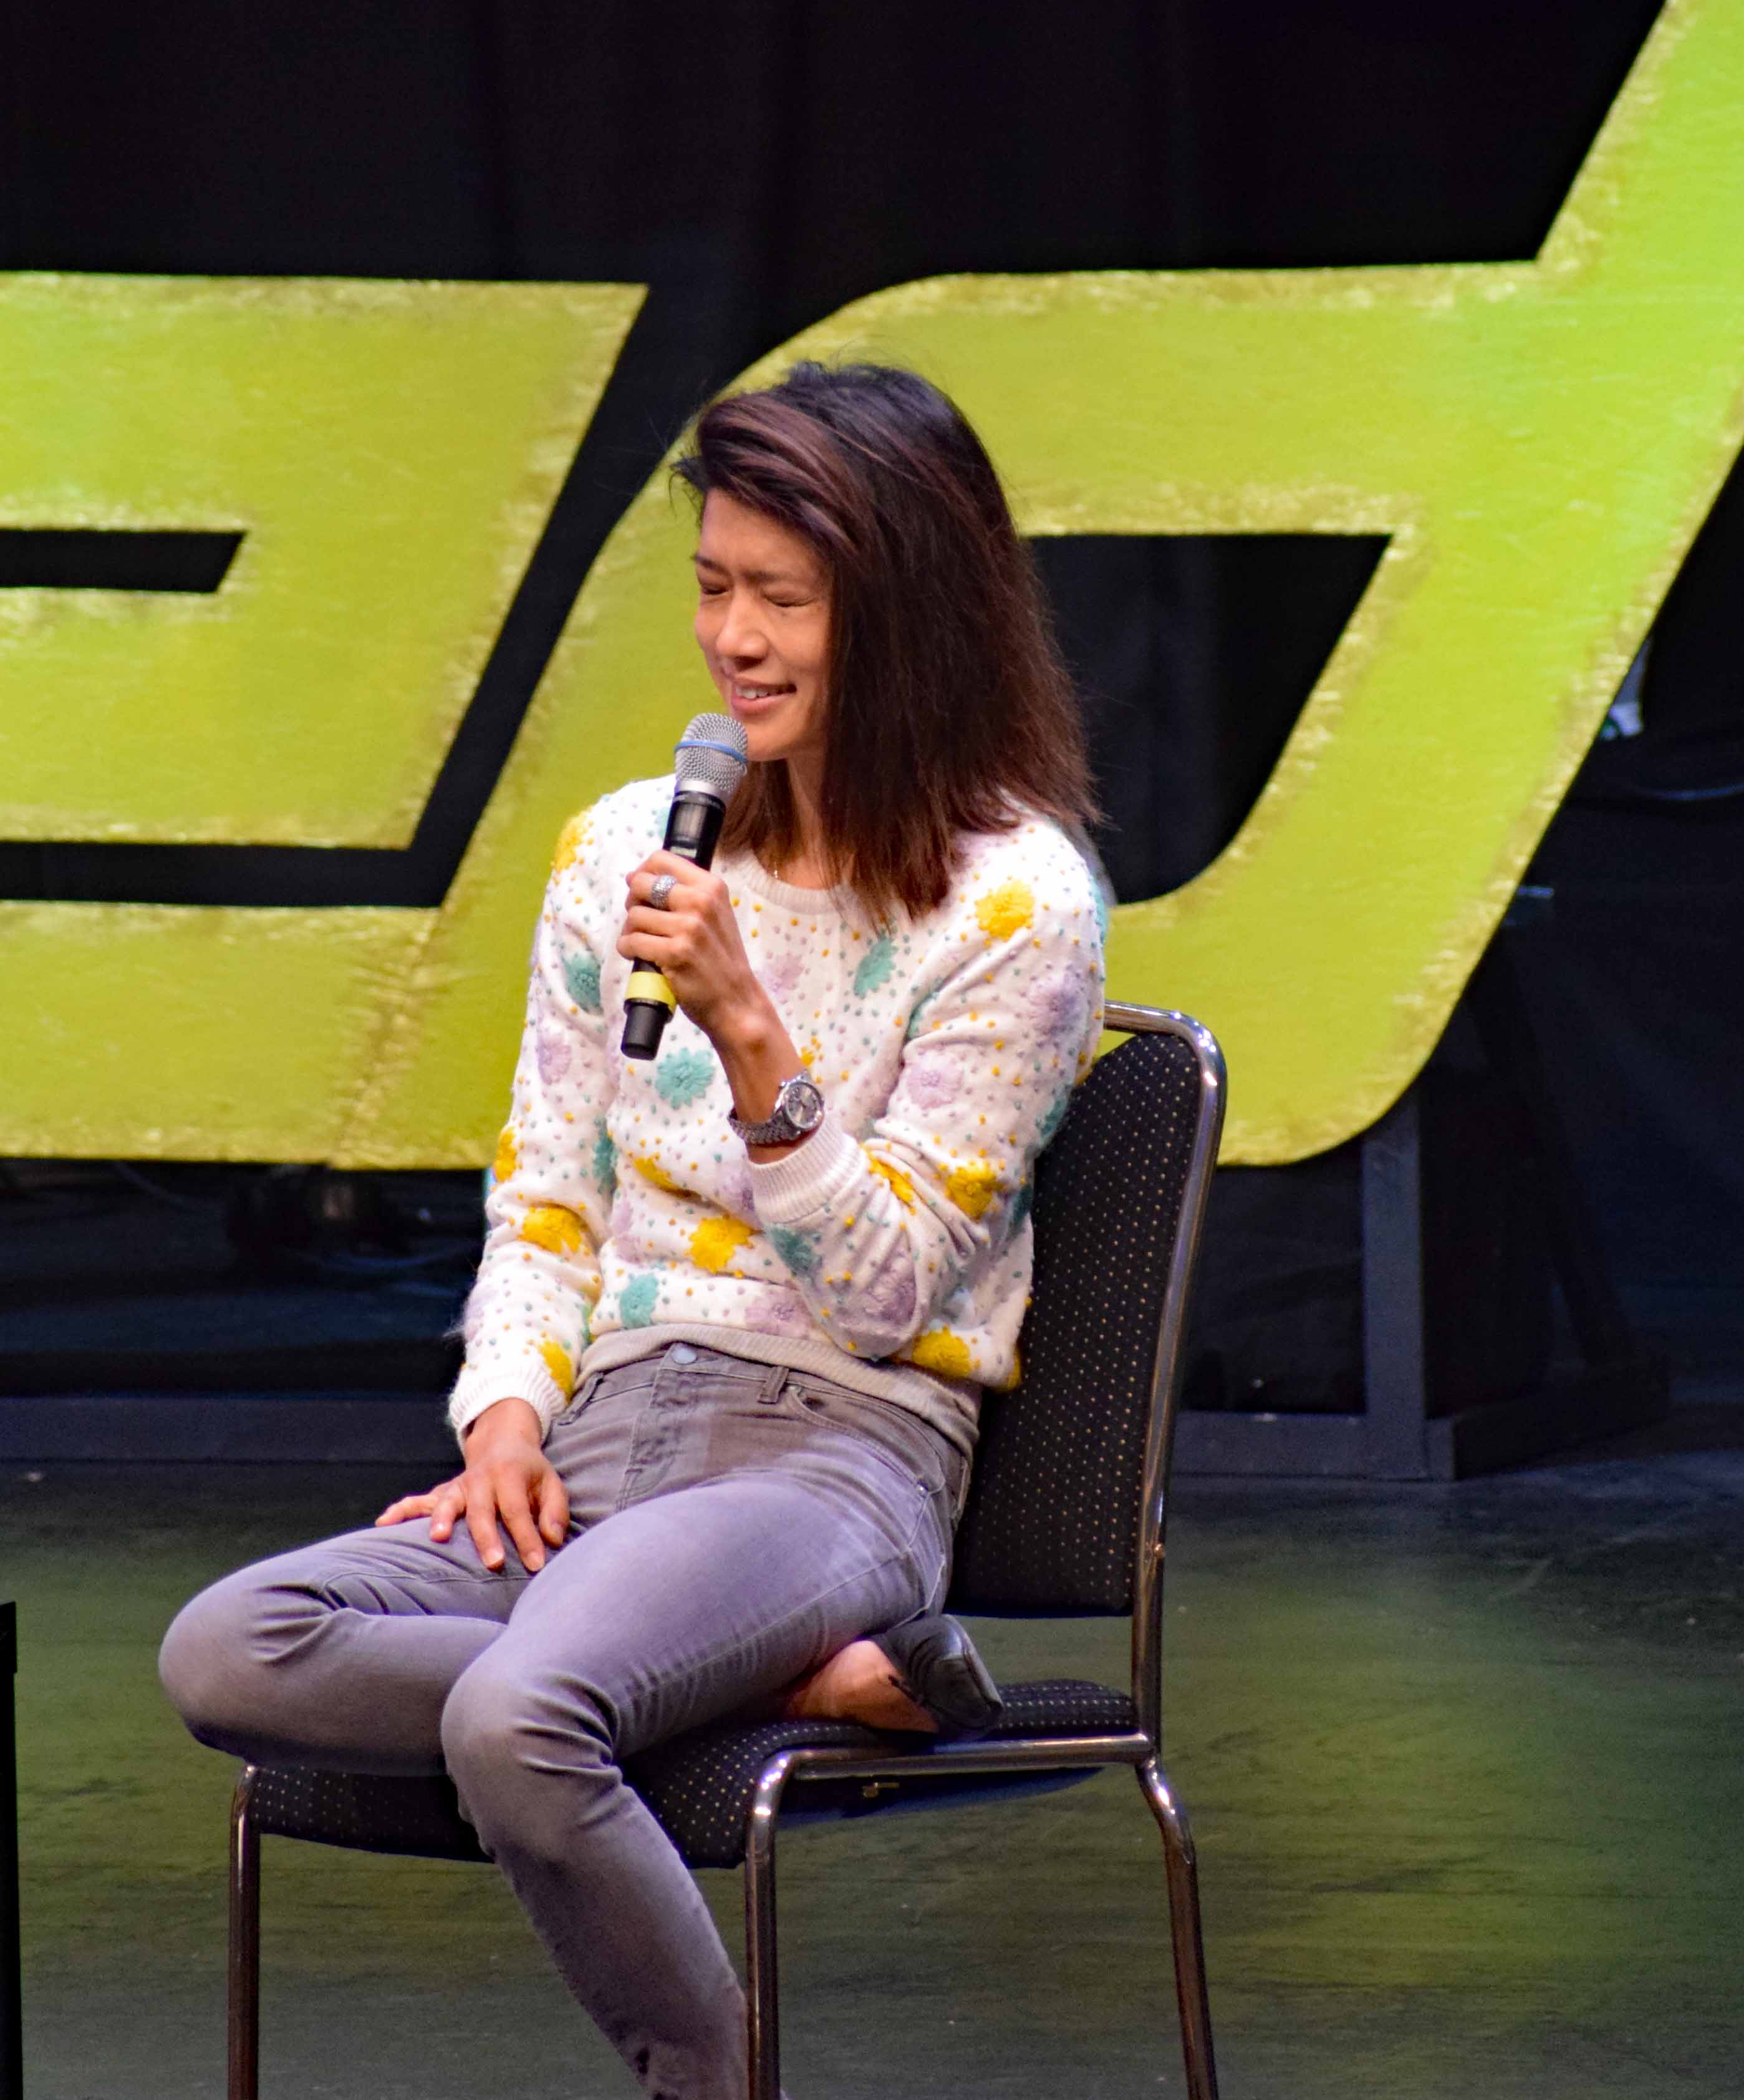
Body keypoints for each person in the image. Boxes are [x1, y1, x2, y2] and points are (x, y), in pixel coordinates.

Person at [160, 360, 1106, 2100]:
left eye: (782, 599)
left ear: (906, 614)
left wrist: (751, 1036)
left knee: (520, 1716)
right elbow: (548, 1194)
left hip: (833, 1447)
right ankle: (794, 1687)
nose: (733, 639)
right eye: (713, 585)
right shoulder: (620, 852)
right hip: (606, 1435)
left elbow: (888, 1290)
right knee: (230, 1646)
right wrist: (507, 1417)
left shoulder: (1018, 901)